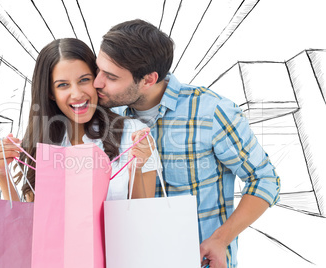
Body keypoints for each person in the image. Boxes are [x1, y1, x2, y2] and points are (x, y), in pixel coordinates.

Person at [93, 19, 280, 268]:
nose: (97, 83)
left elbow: (265, 179)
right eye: (98, 70)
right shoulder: (108, 117)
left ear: (149, 79)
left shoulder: (212, 111)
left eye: (111, 76)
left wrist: (221, 239)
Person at [0, 38, 159, 203]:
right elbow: (31, 222)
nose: (77, 94)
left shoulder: (133, 134)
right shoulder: (42, 144)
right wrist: (2, 174)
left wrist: (136, 169)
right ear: (51, 93)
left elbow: (142, 216)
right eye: (63, 85)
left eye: (84, 80)